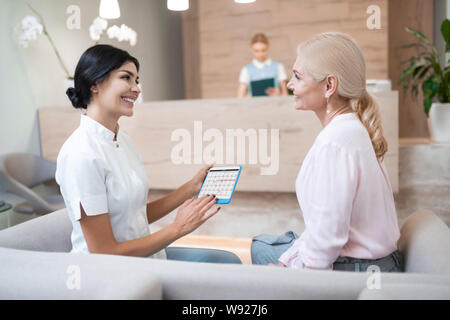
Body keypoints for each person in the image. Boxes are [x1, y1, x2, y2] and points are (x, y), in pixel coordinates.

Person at [56, 44, 241, 264]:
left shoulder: (122, 141)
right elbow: (104, 252)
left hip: (147, 258)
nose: (136, 88)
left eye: (137, 80)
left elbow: (134, 214)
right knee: (224, 265)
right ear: (95, 83)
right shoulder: (80, 154)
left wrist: (191, 188)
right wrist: (178, 228)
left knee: (226, 261)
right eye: (126, 78)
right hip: (110, 273)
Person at [251, 32, 404, 272]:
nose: (289, 84)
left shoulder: (335, 141)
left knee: (260, 249)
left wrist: (289, 273)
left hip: (358, 269)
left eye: (298, 77)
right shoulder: (351, 128)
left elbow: (326, 240)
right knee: (262, 246)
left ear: (329, 86)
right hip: (376, 263)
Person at [237, 33, 288, 98]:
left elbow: (285, 95)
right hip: (254, 106)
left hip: (275, 104)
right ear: (251, 50)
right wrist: (249, 97)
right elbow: (240, 97)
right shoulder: (246, 69)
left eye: (263, 50)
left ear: (268, 47)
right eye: (256, 51)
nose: (260, 54)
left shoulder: (279, 66)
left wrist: (278, 95)